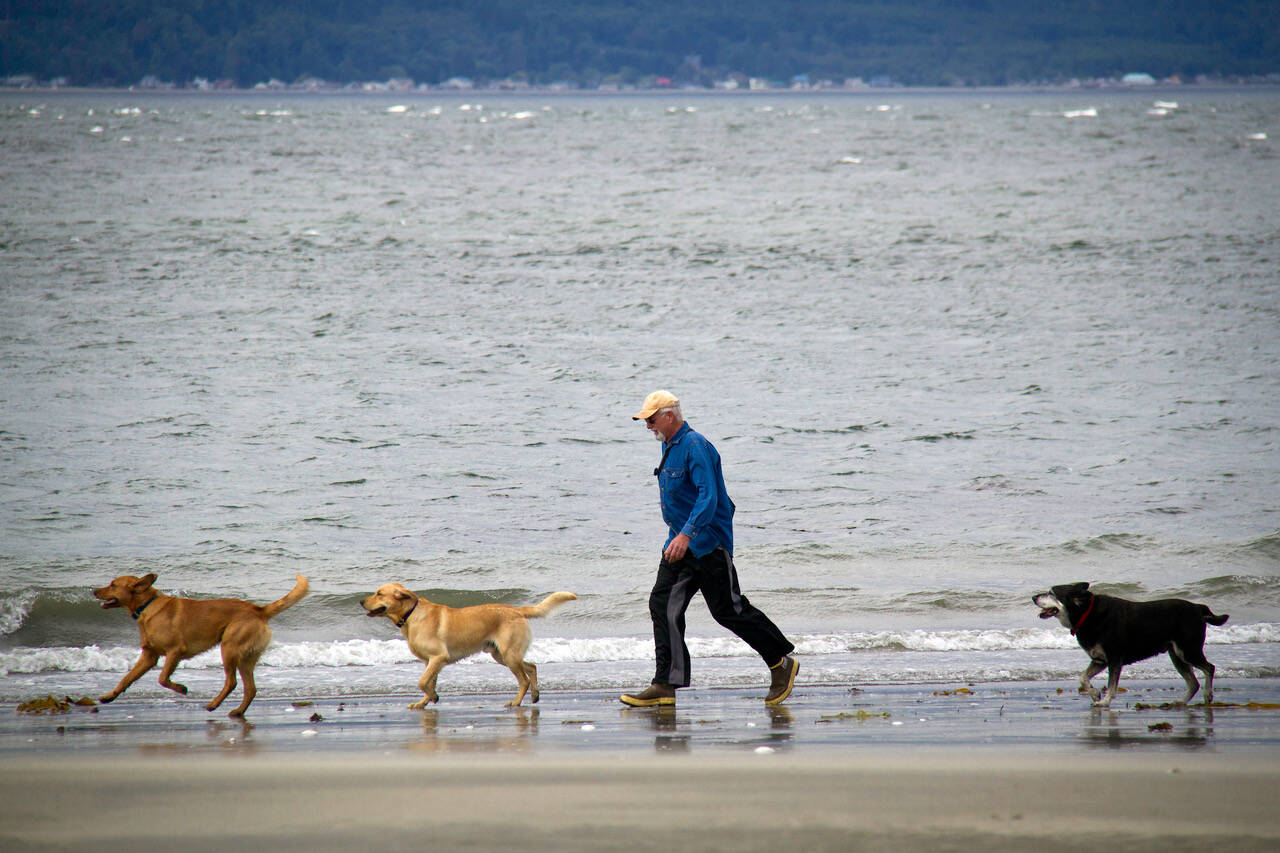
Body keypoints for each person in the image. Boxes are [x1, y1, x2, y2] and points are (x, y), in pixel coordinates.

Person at [621, 390, 799, 707]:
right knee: (662, 604)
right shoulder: (669, 445)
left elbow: (709, 498)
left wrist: (687, 534)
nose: (647, 425)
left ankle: (780, 662)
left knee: (728, 611)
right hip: (678, 544)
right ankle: (665, 684)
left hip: (708, 544)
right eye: (645, 420)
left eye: (650, 419)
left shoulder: (696, 446)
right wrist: (678, 536)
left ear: (669, 415)